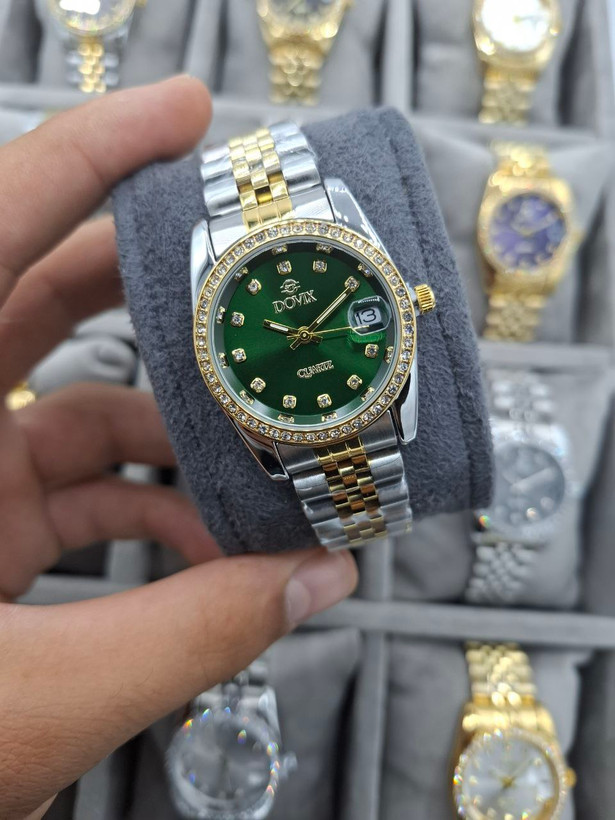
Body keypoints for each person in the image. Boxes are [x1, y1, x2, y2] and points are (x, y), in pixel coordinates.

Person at [0, 76, 358, 820]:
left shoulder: (342, 245)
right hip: (282, 412)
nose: (300, 338)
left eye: (308, 332)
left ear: (405, 299)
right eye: (289, 334)